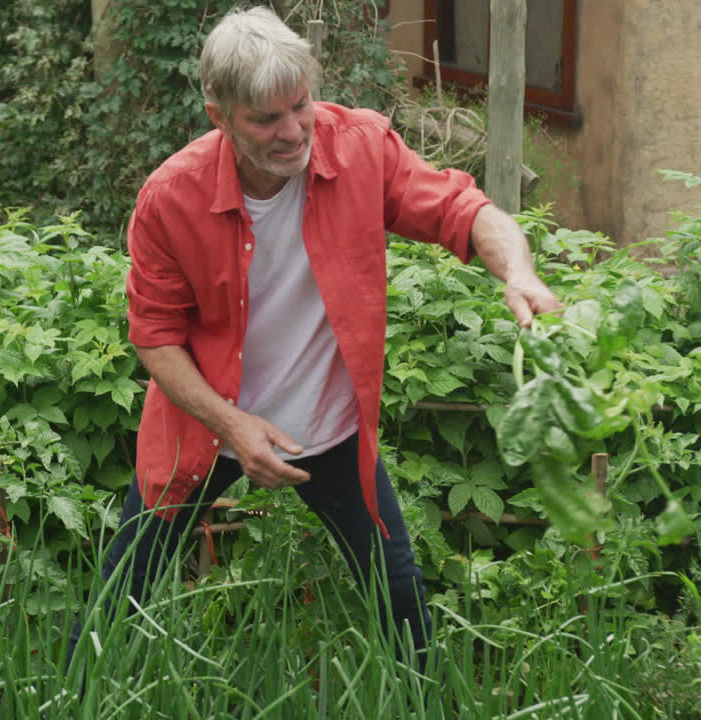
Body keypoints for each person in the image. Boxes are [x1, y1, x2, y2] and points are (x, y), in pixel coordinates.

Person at [69, 5, 560, 675]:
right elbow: (154, 340)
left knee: (398, 593)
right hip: (207, 427)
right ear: (220, 117)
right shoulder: (171, 198)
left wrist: (519, 272)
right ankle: (75, 693)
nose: (293, 131)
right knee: (122, 596)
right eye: (265, 119)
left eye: (300, 105)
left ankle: (422, 706)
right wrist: (235, 426)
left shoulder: (360, 146)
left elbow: (463, 209)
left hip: (331, 430)